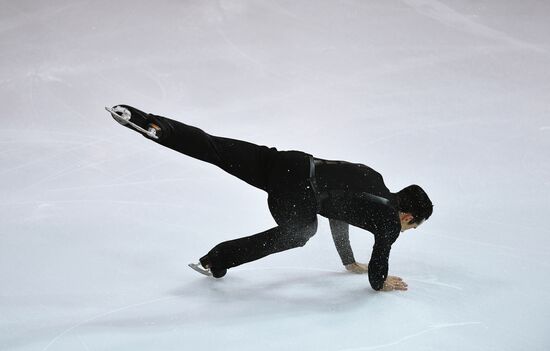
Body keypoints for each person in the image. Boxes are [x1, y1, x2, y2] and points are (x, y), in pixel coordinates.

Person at [107, 105, 433, 292]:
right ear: (407, 216)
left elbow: (339, 215)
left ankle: (156, 126)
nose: (407, 230)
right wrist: (382, 282)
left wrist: (347, 261)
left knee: (215, 148)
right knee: (301, 233)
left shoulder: (372, 177)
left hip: (288, 162)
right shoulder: (388, 223)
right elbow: (378, 275)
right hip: (298, 192)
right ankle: (217, 259)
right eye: (413, 226)